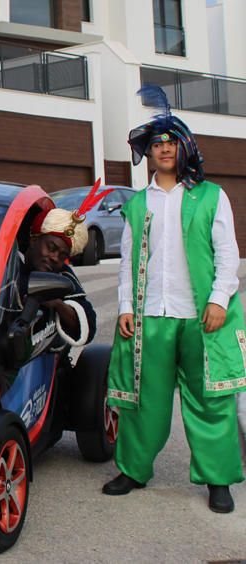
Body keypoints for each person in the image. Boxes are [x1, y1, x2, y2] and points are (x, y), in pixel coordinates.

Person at [103, 86, 244, 514]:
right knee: (143, 399)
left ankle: (218, 479)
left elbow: (227, 254)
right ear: (148, 153)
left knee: (210, 401)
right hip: (151, 318)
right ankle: (133, 470)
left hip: (202, 317)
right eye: (157, 144)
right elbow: (127, 262)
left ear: (184, 149)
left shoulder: (211, 196)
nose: (164, 150)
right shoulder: (138, 204)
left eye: (171, 143)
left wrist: (219, 300)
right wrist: (126, 308)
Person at [19, 195, 99, 351]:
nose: (56, 258)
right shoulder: (6, 261)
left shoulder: (62, 275)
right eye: (51, 248)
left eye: (63, 256)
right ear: (34, 240)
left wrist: (57, 304)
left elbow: (88, 325)